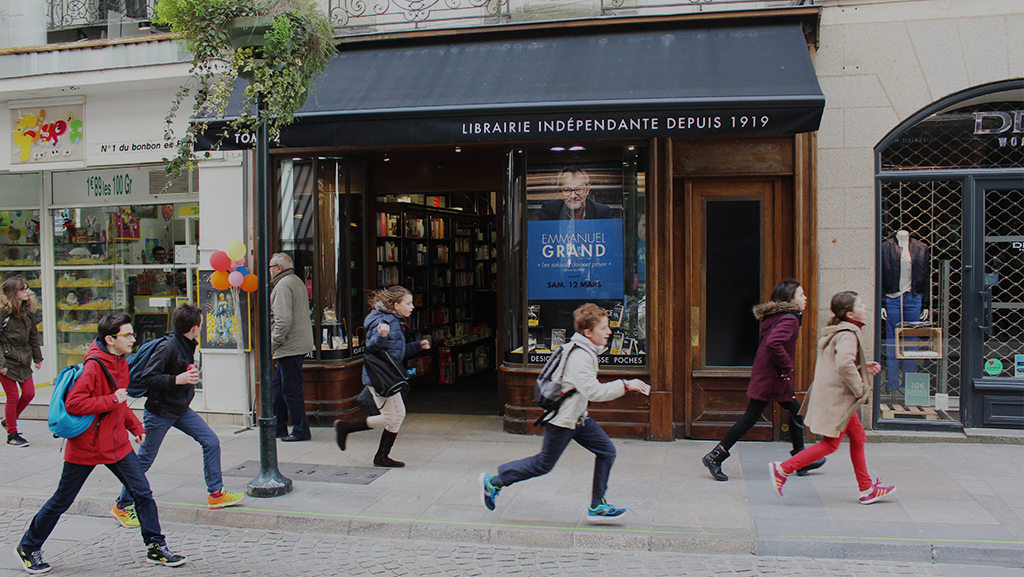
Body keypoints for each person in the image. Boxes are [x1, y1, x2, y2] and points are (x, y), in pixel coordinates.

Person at [15, 313, 186, 573]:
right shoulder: (94, 366)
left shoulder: (121, 363)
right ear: (110, 339)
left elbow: (120, 402)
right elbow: (75, 403)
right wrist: (112, 399)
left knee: (142, 493)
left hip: (117, 445)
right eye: (127, 335)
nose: (133, 339)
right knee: (62, 500)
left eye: (132, 334)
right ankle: (28, 547)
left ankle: (156, 546)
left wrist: (135, 426)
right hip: (88, 446)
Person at [479, 303, 651, 520]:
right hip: (563, 421)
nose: (609, 331)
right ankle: (494, 481)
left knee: (607, 451)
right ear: (588, 332)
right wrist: (625, 385)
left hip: (578, 418)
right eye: (603, 328)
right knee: (543, 464)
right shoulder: (580, 356)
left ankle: (597, 505)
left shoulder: (585, 350)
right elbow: (593, 391)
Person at [111, 304, 244, 529]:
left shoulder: (186, 344)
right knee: (145, 459)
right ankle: (122, 506)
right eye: (201, 324)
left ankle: (216, 494)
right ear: (194, 328)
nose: (202, 328)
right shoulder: (168, 346)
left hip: (179, 409)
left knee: (210, 441)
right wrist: (177, 379)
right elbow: (147, 378)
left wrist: (186, 377)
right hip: (160, 412)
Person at [769, 291, 897, 505]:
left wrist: (862, 366)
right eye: (861, 305)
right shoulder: (848, 333)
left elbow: (840, 363)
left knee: (858, 438)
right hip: (839, 400)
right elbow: (844, 364)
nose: (865, 307)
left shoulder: (838, 330)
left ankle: (866, 488)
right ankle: (783, 468)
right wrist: (860, 389)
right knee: (830, 444)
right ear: (850, 314)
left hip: (835, 397)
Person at [701, 280, 825, 481]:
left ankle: (801, 460)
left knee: (797, 413)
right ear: (790, 299)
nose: (805, 298)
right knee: (751, 418)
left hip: (771, 376)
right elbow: (773, 343)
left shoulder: (779, 316)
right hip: (772, 378)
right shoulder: (789, 319)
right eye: (801, 294)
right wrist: (786, 366)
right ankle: (715, 456)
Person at [333, 286, 429, 467]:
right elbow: (373, 347)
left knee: (399, 414)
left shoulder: (394, 321)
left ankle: (382, 457)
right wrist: (382, 336)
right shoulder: (383, 321)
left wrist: (417, 346)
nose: (412, 307)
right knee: (390, 417)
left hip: (388, 376)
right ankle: (345, 427)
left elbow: (395, 353)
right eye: (408, 303)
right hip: (380, 379)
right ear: (396, 305)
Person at [270, 253, 314, 442]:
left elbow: (283, 321)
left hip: (290, 346)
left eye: (271, 267)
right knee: (277, 387)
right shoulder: (295, 280)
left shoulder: (283, 285)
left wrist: (272, 344)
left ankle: (301, 430)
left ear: (279, 268)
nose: (269, 271)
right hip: (295, 344)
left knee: (290, 390)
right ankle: (278, 427)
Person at [1, 276, 42, 447]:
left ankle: (8, 420)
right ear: (13, 292)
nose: (27, 292)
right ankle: (12, 434)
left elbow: (33, 336)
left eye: (27, 288)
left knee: (29, 393)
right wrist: (1, 364)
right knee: (12, 397)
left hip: (23, 359)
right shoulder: (3, 312)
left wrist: (37, 358)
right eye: (23, 289)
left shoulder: (27, 311)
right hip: (6, 360)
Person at [539, 166, 612, 220]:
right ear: (559, 191)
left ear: (587, 190)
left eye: (579, 189)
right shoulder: (549, 211)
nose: (573, 196)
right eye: (567, 190)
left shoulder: (601, 212)